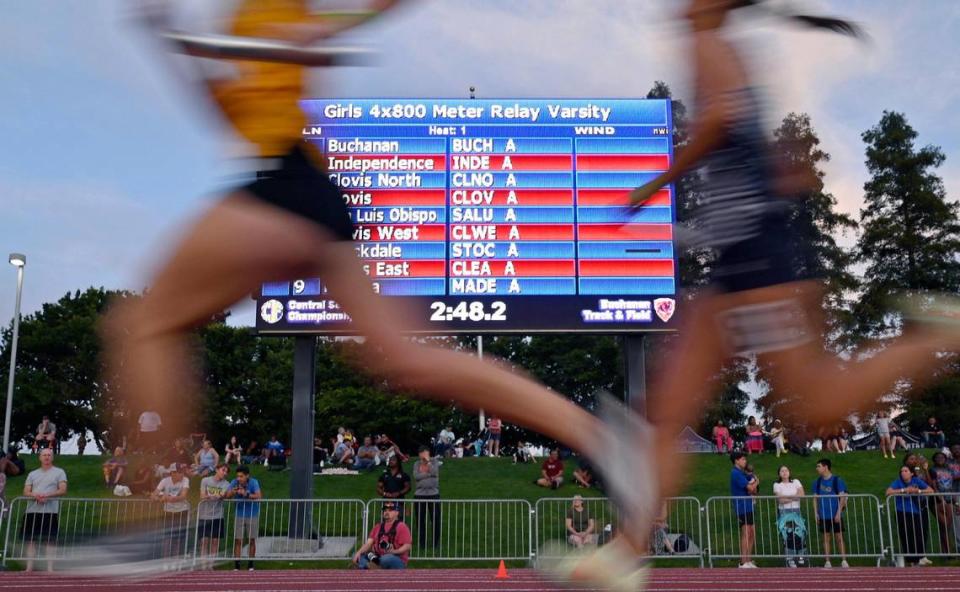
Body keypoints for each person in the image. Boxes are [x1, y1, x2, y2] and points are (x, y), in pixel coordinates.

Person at [116, 2, 662, 584]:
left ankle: (153, 518)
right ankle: (601, 439)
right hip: (304, 192)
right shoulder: (243, 22)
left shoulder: (269, 8)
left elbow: (317, 41)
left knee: (145, 325)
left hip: (286, 187)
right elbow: (239, 109)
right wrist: (181, 52)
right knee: (407, 360)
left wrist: (316, 35)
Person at [617, 0, 960, 582]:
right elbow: (757, 149)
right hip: (739, 255)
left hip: (755, 260)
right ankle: (624, 553)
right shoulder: (722, 50)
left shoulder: (710, 48)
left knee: (821, 403)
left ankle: (931, 338)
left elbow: (721, 127)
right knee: (668, 406)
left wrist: (657, 181)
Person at [21, 449, 67, 572]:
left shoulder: (59, 472)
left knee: (50, 540)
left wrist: (47, 495)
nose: (46, 457)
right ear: (40, 457)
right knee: (30, 540)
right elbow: (26, 491)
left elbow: (62, 489)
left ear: (52, 457)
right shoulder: (32, 474)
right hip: (32, 511)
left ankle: (50, 568)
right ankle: (29, 567)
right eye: (44, 455)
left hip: (50, 512)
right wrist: (36, 496)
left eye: (49, 455)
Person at [887, 464, 934, 566]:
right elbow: (888, 492)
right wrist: (903, 490)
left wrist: (919, 491)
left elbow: (930, 490)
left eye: (905, 471)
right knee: (906, 535)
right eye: (902, 471)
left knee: (917, 534)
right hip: (902, 512)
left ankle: (920, 557)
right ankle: (911, 559)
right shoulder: (898, 482)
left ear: (911, 473)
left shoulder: (916, 481)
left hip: (915, 512)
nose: (903, 473)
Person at [352, 501, 412, 569]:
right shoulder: (378, 526)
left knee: (386, 558)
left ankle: (364, 567)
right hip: (377, 558)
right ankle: (372, 567)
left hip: (396, 557)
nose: (386, 512)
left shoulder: (402, 526)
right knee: (357, 555)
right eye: (385, 510)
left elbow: (407, 546)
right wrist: (359, 552)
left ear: (397, 513)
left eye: (390, 510)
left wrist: (394, 551)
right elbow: (368, 544)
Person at [812, 459, 848, 568]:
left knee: (839, 537)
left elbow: (842, 497)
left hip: (835, 514)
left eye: (818, 466)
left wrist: (838, 513)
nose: (817, 468)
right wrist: (816, 513)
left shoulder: (837, 480)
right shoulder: (817, 482)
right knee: (825, 538)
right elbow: (814, 499)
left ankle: (844, 560)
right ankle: (827, 561)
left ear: (825, 467)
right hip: (823, 515)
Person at [151, 464, 190, 563]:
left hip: (182, 511)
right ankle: (165, 560)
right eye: (180, 472)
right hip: (168, 512)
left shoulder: (185, 480)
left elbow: (183, 496)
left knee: (179, 537)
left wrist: (170, 498)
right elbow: (153, 495)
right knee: (167, 537)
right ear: (173, 473)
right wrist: (160, 499)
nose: (182, 474)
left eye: (182, 472)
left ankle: (176, 561)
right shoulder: (164, 481)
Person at [226, 465, 262, 571]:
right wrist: (233, 492)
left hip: (252, 514)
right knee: (238, 540)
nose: (239, 478)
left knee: (251, 540)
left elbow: (259, 496)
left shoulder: (254, 482)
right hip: (239, 514)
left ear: (247, 476)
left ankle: (250, 564)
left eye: (241, 476)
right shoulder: (234, 482)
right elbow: (227, 495)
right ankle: (237, 565)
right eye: (237, 476)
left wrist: (246, 494)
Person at [198, 463, 231, 567]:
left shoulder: (226, 484)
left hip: (217, 515)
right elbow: (202, 495)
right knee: (204, 541)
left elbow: (223, 495)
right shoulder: (205, 480)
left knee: (215, 541)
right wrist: (212, 496)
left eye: (226, 472)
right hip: (204, 515)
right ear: (217, 469)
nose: (224, 473)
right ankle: (203, 563)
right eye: (223, 470)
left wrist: (218, 495)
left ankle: (211, 564)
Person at [729, 452, 757, 568]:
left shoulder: (742, 473)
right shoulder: (735, 473)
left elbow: (753, 491)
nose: (745, 461)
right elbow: (751, 488)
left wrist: (753, 486)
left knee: (751, 533)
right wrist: (757, 482)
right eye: (743, 459)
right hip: (741, 506)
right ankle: (743, 561)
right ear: (736, 461)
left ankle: (748, 560)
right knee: (746, 532)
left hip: (749, 505)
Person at [412, 445, 441, 550]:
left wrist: (428, 463)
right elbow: (416, 476)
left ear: (428, 453)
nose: (423, 456)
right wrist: (428, 474)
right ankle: (422, 543)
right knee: (420, 520)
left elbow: (434, 472)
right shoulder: (416, 464)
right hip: (419, 495)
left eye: (425, 453)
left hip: (433, 494)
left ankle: (435, 543)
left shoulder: (434, 462)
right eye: (421, 453)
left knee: (435, 519)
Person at [927, 451, 956, 554]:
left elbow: (951, 485)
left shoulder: (949, 470)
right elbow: (933, 486)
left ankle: (946, 552)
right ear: (934, 459)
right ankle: (948, 551)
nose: (940, 459)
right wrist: (941, 499)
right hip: (937, 500)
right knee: (944, 524)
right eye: (938, 457)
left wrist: (955, 501)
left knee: (946, 527)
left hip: (949, 499)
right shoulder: (932, 470)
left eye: (942, 457)